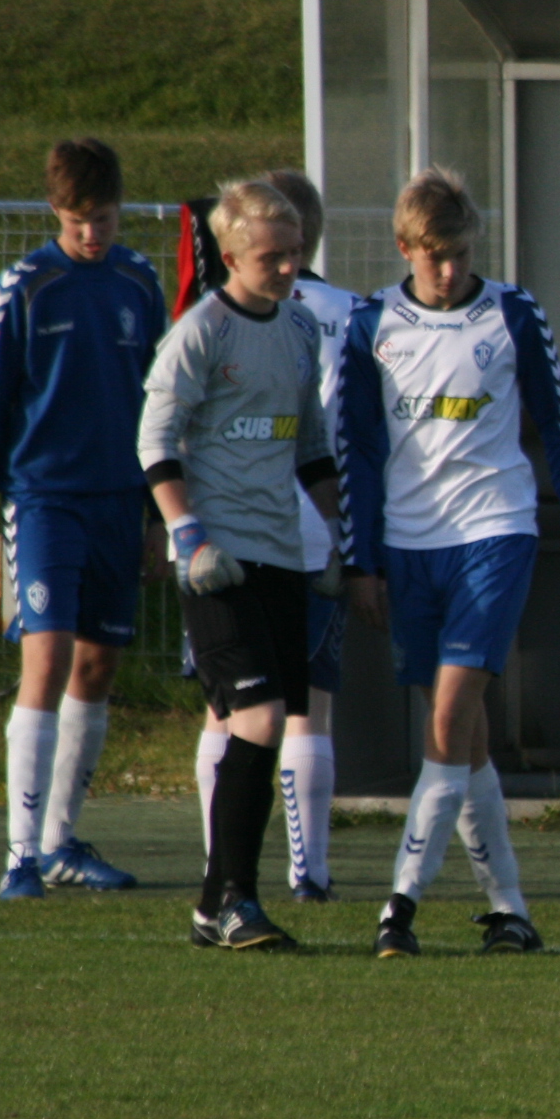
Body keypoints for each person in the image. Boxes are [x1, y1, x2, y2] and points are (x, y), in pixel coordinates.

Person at [339, 168, 560, 959]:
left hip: (496, 533)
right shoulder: (371, 323)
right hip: (410, 546)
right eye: (434, 256)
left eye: (460, 253)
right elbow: (358, 450)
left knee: (449, 718)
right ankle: (508, 909)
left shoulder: (513, 314)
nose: (449, 269)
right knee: (465, 734)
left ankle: (399, 905)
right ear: (404, 248)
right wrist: (361, 561)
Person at [0, 138, 166, 900]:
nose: (92, 234)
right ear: (55, 212)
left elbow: (160, 407)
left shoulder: (140, 281)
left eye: (103, 219)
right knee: (45, 659)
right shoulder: (26, 287)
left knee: (98, 666)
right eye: (78, 222)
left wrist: (157, 515)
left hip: (119, 501)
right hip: (43, 500)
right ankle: (20, 857)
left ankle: (61, 841)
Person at [137, 179, 347, 951]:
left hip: (281, 554)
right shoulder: (202, 332)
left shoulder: (299, 328)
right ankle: (235, 899)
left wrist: (336, 537)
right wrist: (188, 536)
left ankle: (214, 905)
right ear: (230, 257)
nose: (289, 268)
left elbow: (311, 442)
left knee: (265, 723)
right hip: (216, 560)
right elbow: (154, 441)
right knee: (256, 717)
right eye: (271, 257)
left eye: (296, 253)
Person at [230, 167, 358, 903]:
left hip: (236, 526)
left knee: (228, 704)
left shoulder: (222, 314)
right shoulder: (352, 313)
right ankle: (309, 872)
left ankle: (224, 865)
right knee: (309, 704)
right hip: (318, 525)